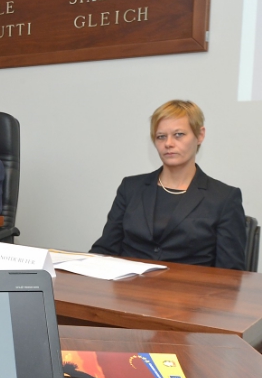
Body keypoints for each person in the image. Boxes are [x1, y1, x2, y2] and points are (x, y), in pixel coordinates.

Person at [90, 100, 246, 270]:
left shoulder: (224, 198)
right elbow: (105, 249)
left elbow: (231, 273)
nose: (168, 143)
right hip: (129, 284)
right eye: (161, 136)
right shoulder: (130, 188)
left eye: (178, 134)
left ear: (200, 135)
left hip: (189, 286)